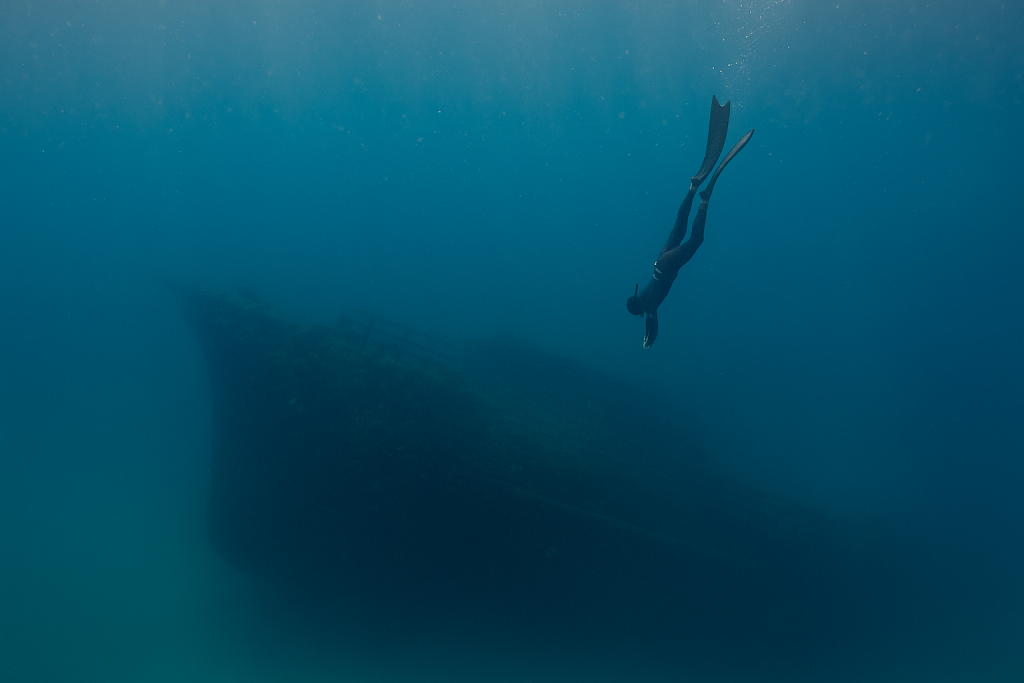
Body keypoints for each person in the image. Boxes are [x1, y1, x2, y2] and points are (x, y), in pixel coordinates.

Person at [626, 96, 754, 349]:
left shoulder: (648, 306)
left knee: (696, 240)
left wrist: (648, 341)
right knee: (680, 225)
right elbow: (647, 316)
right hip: (660, 259)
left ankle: (705, 198)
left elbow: (653, 325)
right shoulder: (641, 296)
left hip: (668, 266)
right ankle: (693, 188)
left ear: (640, 309)